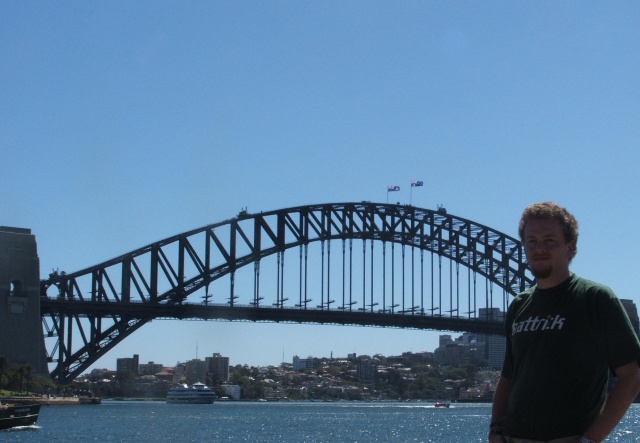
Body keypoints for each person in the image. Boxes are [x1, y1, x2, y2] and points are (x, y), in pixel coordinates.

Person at [489, 202, 640, 443]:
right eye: (532, 241)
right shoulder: (519, 304)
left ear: (570, 248)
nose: (539, 248)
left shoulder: (595, 298)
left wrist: (591, 439)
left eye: (550, 240)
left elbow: (632, 376)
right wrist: (495, 430)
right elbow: (508, 377)